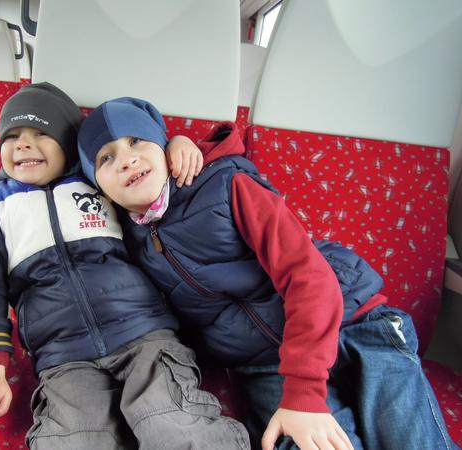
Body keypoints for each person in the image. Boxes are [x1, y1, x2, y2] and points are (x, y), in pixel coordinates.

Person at [77, 96, 460, 450]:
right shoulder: (125, 241)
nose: (126, 160)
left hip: (353, 320)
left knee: (412, 440)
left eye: (136, 141)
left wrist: (305, 393)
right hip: (265, 361)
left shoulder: (225, 184)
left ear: (164, 148)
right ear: (100, 190)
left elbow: (308, 277)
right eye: (106, 158)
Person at [0, 83, 250, 450]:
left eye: (40, 133)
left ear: (68, 143)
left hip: (144, 333)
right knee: (73, 440)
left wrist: (178, 144)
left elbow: (149, 181)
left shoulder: (101, 181)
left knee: (171, 424)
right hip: (62, 354)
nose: (23, 145)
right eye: (11, 137)